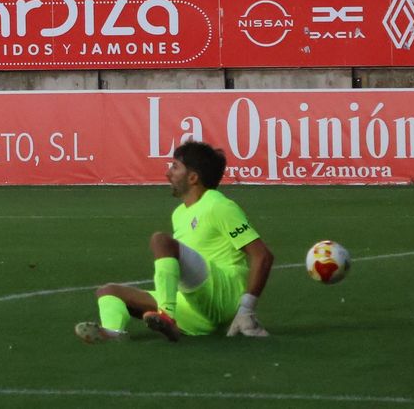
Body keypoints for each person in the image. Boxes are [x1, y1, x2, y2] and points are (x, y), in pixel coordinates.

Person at [75, 140, 273, 344]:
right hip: (195, 308)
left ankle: (166, 315)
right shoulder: (179, 213)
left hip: (224, 294)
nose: (168, 173)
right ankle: (113, 332)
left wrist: (246, 309)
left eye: (175, 167)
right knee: (108, 292)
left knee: (160, 241)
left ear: (193, 177)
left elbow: (263, 256)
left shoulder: (218, 205)